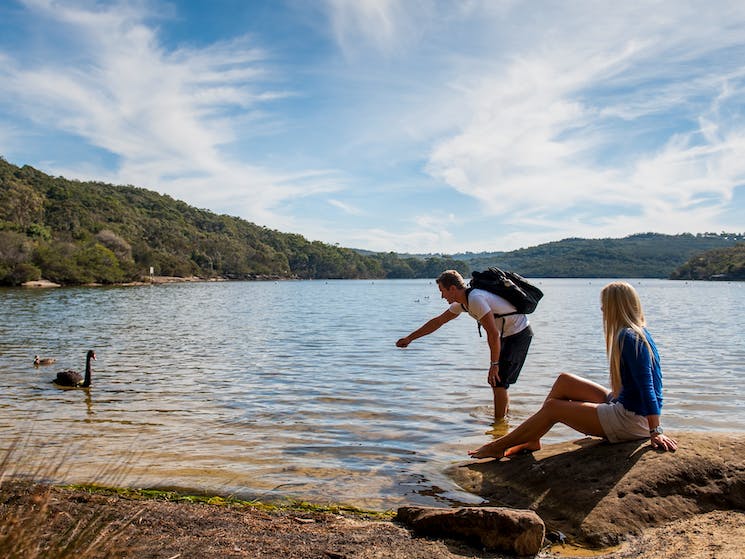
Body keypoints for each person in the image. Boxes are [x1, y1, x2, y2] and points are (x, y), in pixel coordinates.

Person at [468, 281, 677, 459]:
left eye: (604, 305)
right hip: (626, 406)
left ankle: (497, 446)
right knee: (564, 380)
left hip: (630, 420)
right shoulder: (638, 332)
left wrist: (655, 431)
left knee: (553, 408)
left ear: (615, 306)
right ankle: (533, 438)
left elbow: (647, 386)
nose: (602, 309)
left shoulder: (629, 338)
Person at [396, 269, 533, 420]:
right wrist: (410, 338)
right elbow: (438, 322)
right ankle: (503, 420)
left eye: (443, 291)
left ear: (453, 289)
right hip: (507, 334)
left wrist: (494, 364)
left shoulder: (475, 299)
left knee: (498, 381)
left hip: (519, 333)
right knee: (499, 382)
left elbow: (492, 334)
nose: (442, 296)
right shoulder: (463, 303)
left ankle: (499, 425)